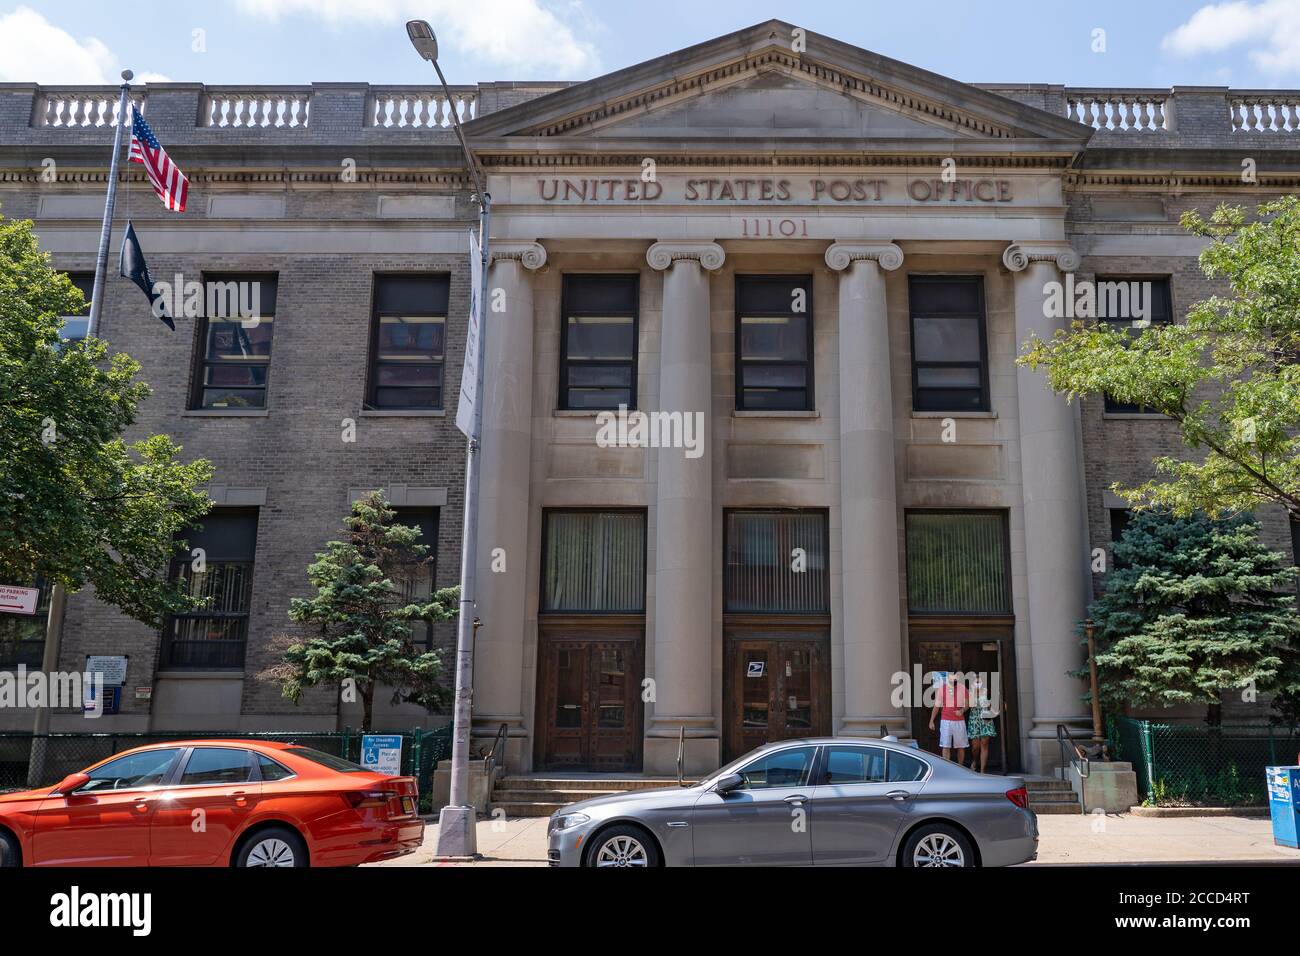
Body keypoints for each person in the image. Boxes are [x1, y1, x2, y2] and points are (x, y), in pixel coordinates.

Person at [928, 672, 968, 765]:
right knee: (945, 746)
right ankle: (947, 768)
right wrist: (931, 720)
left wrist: (962, 711)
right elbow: (937, 706)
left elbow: (967, 704)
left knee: (961, 746)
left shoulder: (962, 688)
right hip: (946, 721)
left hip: (959, 721)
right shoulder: (943, 689)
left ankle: (960, 768)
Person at [966, 674, 998, 773]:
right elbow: (971, 705)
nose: (978, 684)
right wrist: (975, 692)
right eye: (976, 682)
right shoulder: (970, 692)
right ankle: (975, 760)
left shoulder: (986, 691)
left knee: (984, 744)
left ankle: (982, 771)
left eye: (979, 682)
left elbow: (990, 705)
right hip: (974, 720)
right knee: (975, 747)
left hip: (985, 719)